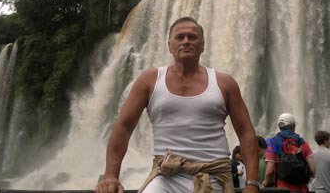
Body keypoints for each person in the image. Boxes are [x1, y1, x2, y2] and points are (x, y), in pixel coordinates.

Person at [95, 17, 260, 193]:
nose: (186, 41)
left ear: (203, 45)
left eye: (192, 37)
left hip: (214, 177)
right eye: (180, 37)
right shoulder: (149, 80)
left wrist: (252, 183)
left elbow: (245, 131)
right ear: (170, 45)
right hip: (166, 177)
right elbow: (123, 127)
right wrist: (111, 176)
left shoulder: (225, 83)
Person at [263, 113, 315, 192]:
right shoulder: (303, 143)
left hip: (283, 189)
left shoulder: (272, 143)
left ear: (280, 127)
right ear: (293, 126)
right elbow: (313, 170)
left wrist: (266, 183)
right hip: (302, 189)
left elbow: (269, 171)